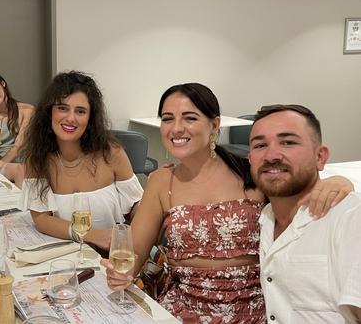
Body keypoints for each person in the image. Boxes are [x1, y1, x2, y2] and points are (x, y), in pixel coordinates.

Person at [103, 83, 352, 323]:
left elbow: (299, 188)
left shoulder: (251, 172)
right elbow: (134, 254)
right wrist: (121, 273)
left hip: (257, 312)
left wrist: (339, 181)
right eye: (168, 119)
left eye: (190, 118)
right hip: (182, 310)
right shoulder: (160, 181)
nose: (176, 128)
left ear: (214, 125)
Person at [249, 104, 361, 323]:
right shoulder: (264, 218)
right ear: (250, 160)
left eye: (288, 142)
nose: (271, 155)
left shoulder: (350, 219)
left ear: (320, 157)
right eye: (260, 145)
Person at [20, 71, 143, 251]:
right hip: (65, 257)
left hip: (113, 255)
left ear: (90, 118)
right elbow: (41, 219)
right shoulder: (37, 160)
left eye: (80, 111)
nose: (70, 118)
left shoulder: (111, 153)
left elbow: (136, 206)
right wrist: (91, 235)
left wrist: (130, 238)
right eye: (62, 108)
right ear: (49, 112)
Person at [0, 70, 33, 187]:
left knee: (24, 168)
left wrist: (2, 163)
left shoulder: (27, 110)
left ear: (3, 84)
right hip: (7, 167)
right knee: (20, 169)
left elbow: (20, 143)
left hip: (23, 161)